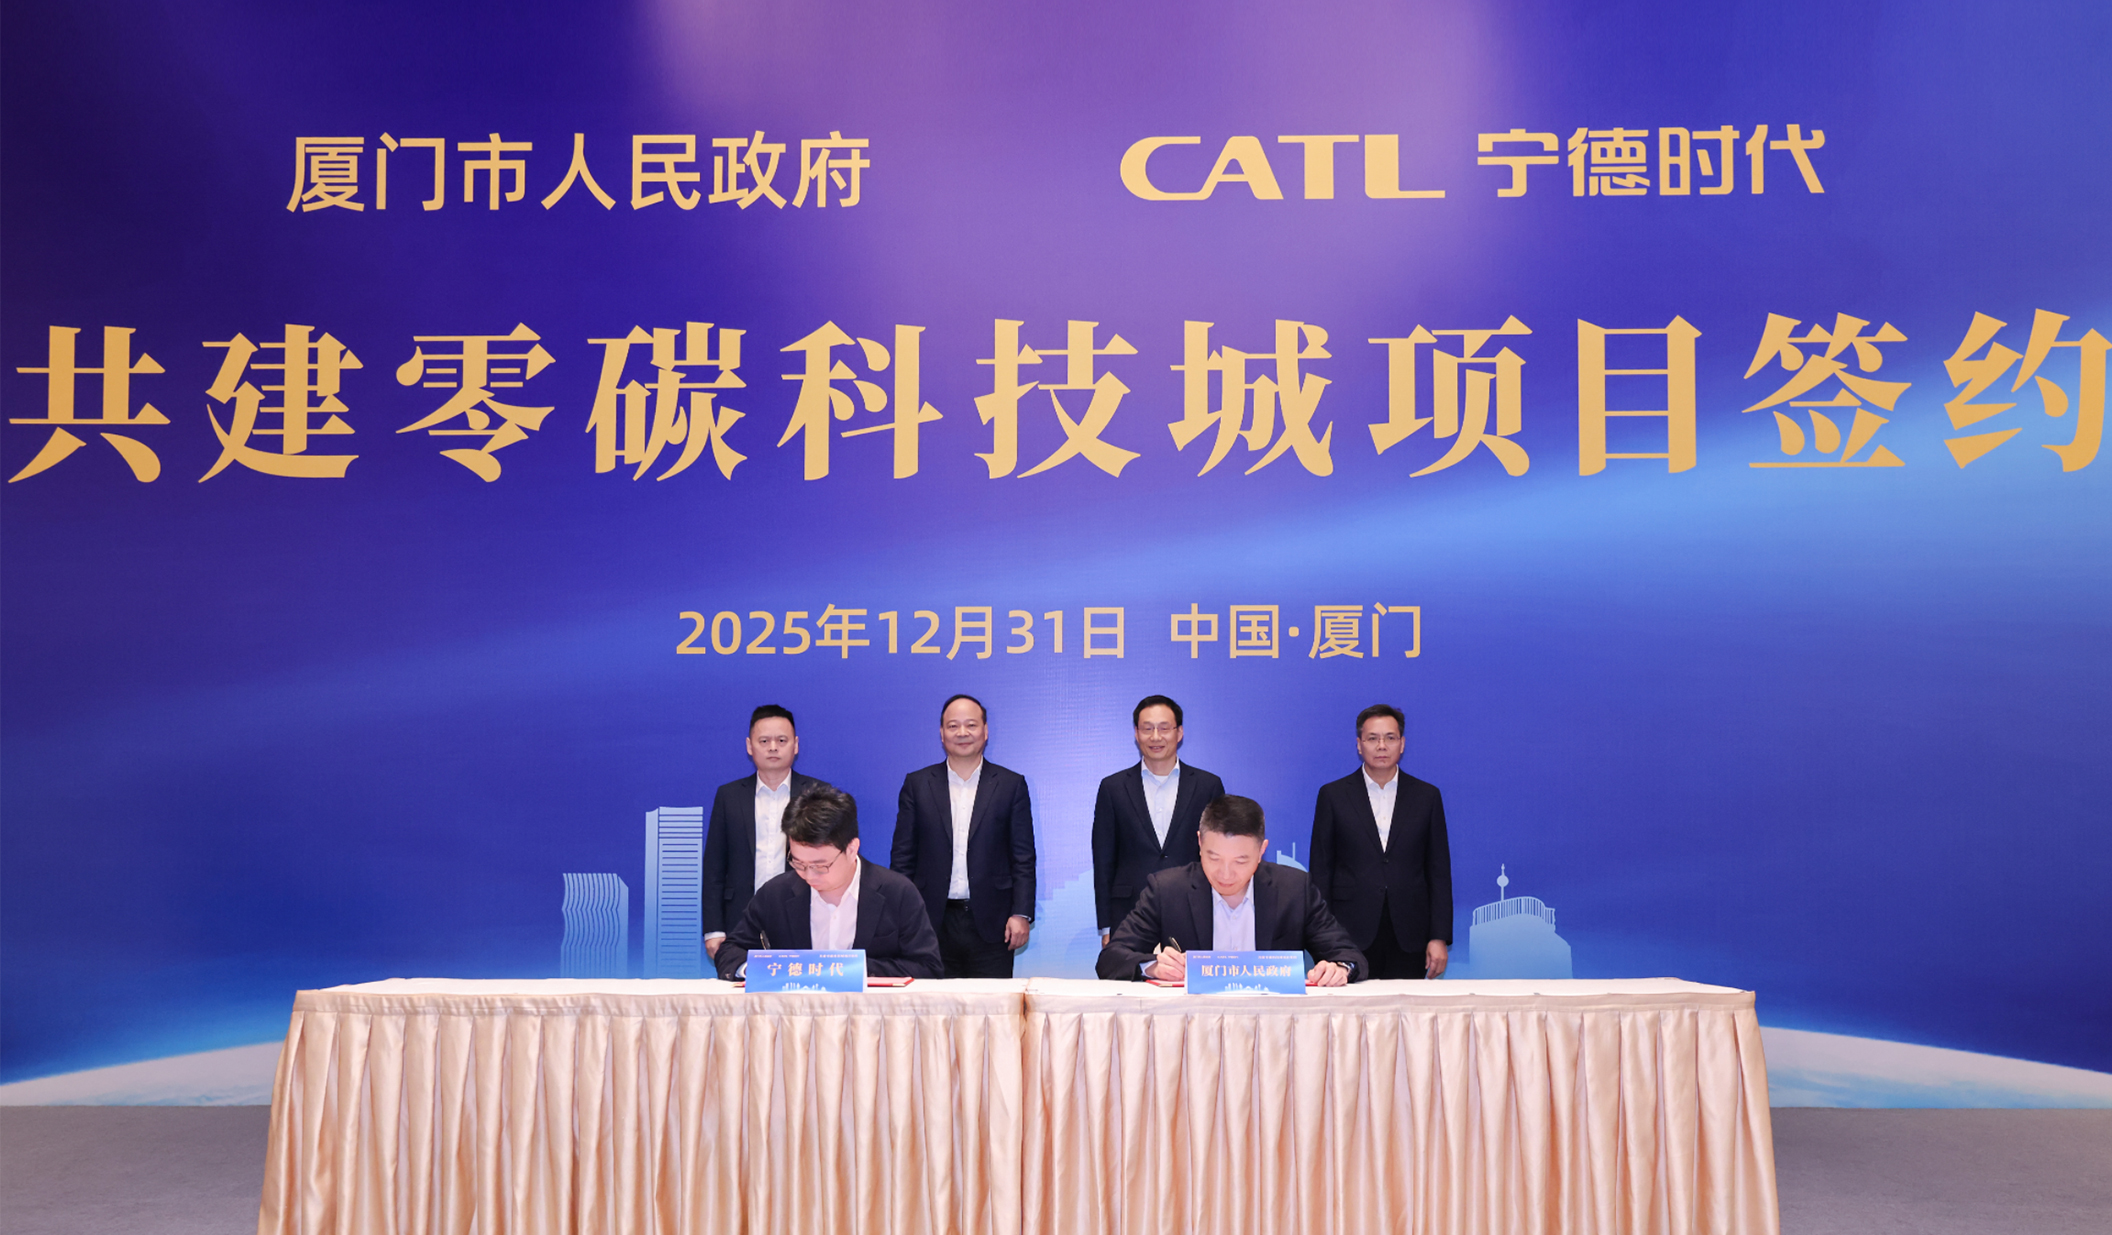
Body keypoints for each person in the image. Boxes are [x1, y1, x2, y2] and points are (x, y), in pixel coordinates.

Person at [1097, 795, 1366, 985]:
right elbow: (1111, 959)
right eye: (1213, 858)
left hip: (1273, 1025)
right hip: (1195, 1025)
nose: (1225, 874)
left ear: (1262, 850)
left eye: (1240, 861)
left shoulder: (1294, 889)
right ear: (1200, 843)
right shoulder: (1167, 890)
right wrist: (1153, 966)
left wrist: (1340, 968)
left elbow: (1351, 956)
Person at [712, 786, 942, 981]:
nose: (808, 875)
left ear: (852, 849)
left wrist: (847, 970)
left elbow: (927, 967)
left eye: (820, 865)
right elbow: (731, 952)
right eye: (798, 863)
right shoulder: (776, 894)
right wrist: (760, 970)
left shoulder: (897, 893)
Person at [889, 694, 1037, 978]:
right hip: (930, 923)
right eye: (953, 726)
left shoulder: (1010, 785)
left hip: (993, 924)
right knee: (934, 1004)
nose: (962, 733)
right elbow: (902, 857)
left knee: (992, 1005)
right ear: (941, 733)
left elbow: (1023, 857)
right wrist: (902, 915)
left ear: (985, 731)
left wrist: (1021, 913)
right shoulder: (917, 784)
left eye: (971, 725)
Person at [1307, 704, 1453, 980]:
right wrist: (1323, 939)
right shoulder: (1333, 796)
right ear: (1359, 745)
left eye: (1390, 737)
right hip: (1348, 934)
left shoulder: (1427, 796)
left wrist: (1438, 937)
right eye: (1372, 738)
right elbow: (1322, 871)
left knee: (1405, 1006)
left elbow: (1438, 871)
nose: (1381, 746)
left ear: (1402, 744)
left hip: (1410, 934)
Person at [1090, 695, 1226, 946]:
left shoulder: (1207, 786)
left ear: (1179, 732)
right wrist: (1107, 925)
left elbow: (1219, 853)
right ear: (1136, 733)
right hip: (1130, 913)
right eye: (1147, 728)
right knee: (1131, 972)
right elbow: (1103, 860)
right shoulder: (1113, 788)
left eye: (1164, 728)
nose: (1155, 737)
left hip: (1194, 909)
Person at [699, 704, 829, 961]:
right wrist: (713, 930)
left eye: (781, 740)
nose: (773, 747)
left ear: (795, 745)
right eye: (764, 741)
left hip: (806, 919)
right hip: (741, 921)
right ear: (750, 746)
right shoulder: (729, 796)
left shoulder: (817, 794)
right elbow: (714, 869)